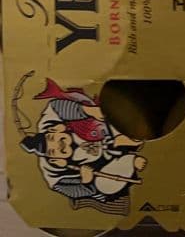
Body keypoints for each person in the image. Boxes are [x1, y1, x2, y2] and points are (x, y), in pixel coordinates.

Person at [20, 79, 147, 211]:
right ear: (54, 159)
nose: (57, 145)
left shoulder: (47, 124)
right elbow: (69, 190)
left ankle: (126, 138)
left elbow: (55, 106)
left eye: (52, 139)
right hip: (105, 168)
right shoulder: (53, 174)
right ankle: (130, 161)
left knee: (106, 118)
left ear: (55, 130)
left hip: (101, 134)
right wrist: (86, 182)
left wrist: (88, 111)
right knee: (105, 186)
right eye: (52, 151)